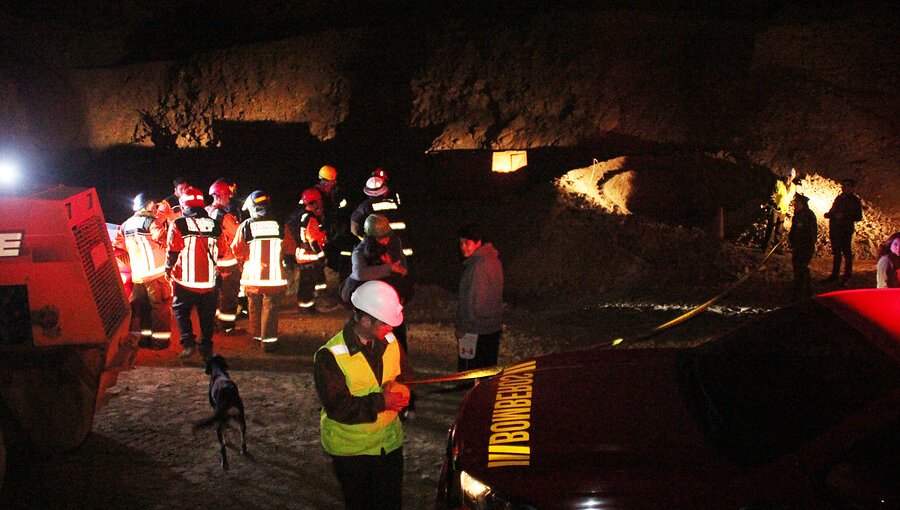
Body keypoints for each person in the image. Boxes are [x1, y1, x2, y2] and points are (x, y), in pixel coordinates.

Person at [314, 280, 410, 510]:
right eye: (386, 324)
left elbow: (405, 377)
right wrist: (381, 401)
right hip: (352, 452)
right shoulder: (330, 356)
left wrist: (403, 390)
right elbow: (338, 407)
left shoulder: (389, 340)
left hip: (389, 444)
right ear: (366, 321)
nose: (391, 329)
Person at [166, 186, 227, 360]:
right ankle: (206, 347)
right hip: (209, 282)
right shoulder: (215, 225)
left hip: (185, 281)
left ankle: (188, 344)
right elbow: (222, 250)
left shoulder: (178, 223)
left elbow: (173, 251)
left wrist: (168, 269)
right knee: (207, 316)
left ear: (184, 205)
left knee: (180, 312)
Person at [231, 190, 296, 351]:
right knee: (270, 308)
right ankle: (268, 342)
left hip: (252, 277)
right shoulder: (280, 224)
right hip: (274, 278)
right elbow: (291, 248)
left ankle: (257, 337)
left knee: (254, 306)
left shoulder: (246, 226)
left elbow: (237, 250)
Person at [343, 214, 411, 351]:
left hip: (392, 301)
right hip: (372, 306)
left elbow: (403, 269)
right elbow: (359, 273)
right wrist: (389, 267)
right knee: (375, 339)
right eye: (381, 238)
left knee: (397, 338)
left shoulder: (394, 244)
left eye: (387, 236)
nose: (386, 240)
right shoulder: (360, 252)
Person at [113, 192, 172, 349]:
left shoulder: (125, 225)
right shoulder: (150, 222)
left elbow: (117, 246)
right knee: (160, 309)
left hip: (139, 277)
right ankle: (160, 342)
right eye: (155, 204)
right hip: (157, 275)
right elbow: (163, 237)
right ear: (147, 204)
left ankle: (144, 340)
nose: (156, 208)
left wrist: (133, 259)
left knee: (143, 309)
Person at [456, 222, 504, 372]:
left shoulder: (478, 266)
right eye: (461, 243)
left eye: (467, 243)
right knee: (488, 375)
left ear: (478, 242)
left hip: (476, 332)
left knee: (472, 375)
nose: (463, 247)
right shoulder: (493, 260)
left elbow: (476, 304)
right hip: (491, 330)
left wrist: (463, 326)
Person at [207, 180, 242, 333]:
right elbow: (237, 234)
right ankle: (227, 327)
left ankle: (213, 324)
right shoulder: (224, 215)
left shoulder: (206, 211)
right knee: (229, 295)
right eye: (226, 196)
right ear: (218, 196)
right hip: (227, 261)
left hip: (212, 260)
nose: (228, 198)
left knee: (213, 295)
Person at [349, 175, 413, 258]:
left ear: (367, 192)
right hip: (399, 250)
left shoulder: (365, 207)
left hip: (378, 251)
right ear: (384, 191)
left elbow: (354, 228)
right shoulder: (394, 205)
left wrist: (365, 239)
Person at [287, 187, 328, 314]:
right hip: (308, 256)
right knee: (307, 284)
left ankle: (307, 307)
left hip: (305, 255)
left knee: (307, 283)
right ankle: (306, 308)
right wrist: (321, 255)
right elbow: (313, 240)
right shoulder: (310, 218)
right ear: (314, 202)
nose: (321, 203)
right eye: (319, 201)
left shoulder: (305, 215)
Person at [314, 164, 353, 281]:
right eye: (331, 181)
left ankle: (340, 275)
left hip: (334, 229)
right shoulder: (316, 194)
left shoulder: (335, 192)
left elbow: (343, 208)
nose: (334, 183)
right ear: (324, 181)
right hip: (322, 231)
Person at [823, 178, 863, 286]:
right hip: (835, 229)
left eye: (847, 185)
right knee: (836, 253)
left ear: (851, 187)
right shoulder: (839, 198)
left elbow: (858, 216)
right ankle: (835, 275)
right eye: (843, 185)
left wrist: (844, 216)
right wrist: (829, 215)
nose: (844, 187)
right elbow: (833, 211)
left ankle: (847, 276)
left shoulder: (854, 200)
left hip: (845, 230)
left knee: (847, 253)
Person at [787, 194, 817, 301]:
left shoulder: (807, 215)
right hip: (799, 247)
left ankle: (799, 294)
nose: (795, 205)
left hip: (804, 247)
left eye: (797, 203)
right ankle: (808, 291)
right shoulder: (799, 215)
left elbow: (809, 233)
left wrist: (803, 245)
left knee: (800, 268)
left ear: (802, 204)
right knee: (802, 268)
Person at [763, 167, 797, 252]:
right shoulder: (778, 183)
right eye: (788, 176)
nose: (789, 178)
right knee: (771, 228)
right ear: (785, 175)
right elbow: (772, 196)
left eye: (791, 176)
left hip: (783, 210)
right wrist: (775, 204)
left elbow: (791, 198)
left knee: (779, 230)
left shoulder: (793, 186)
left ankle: (777, 248)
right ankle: (765, 247)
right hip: (775, 209)